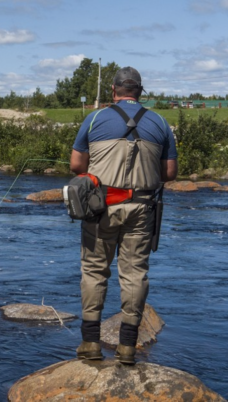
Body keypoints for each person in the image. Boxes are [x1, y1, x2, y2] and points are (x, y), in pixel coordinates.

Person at [70, 66, 178, 364]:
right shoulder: (160, 122)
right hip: (143, 210)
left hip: (100, 208)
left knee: (94, 271)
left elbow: (77, 166)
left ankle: (90, 344)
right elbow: (169, 173)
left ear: (114, 92)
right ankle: (128, 347)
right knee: (134, 274)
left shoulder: (93, 119)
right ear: (140, 92)